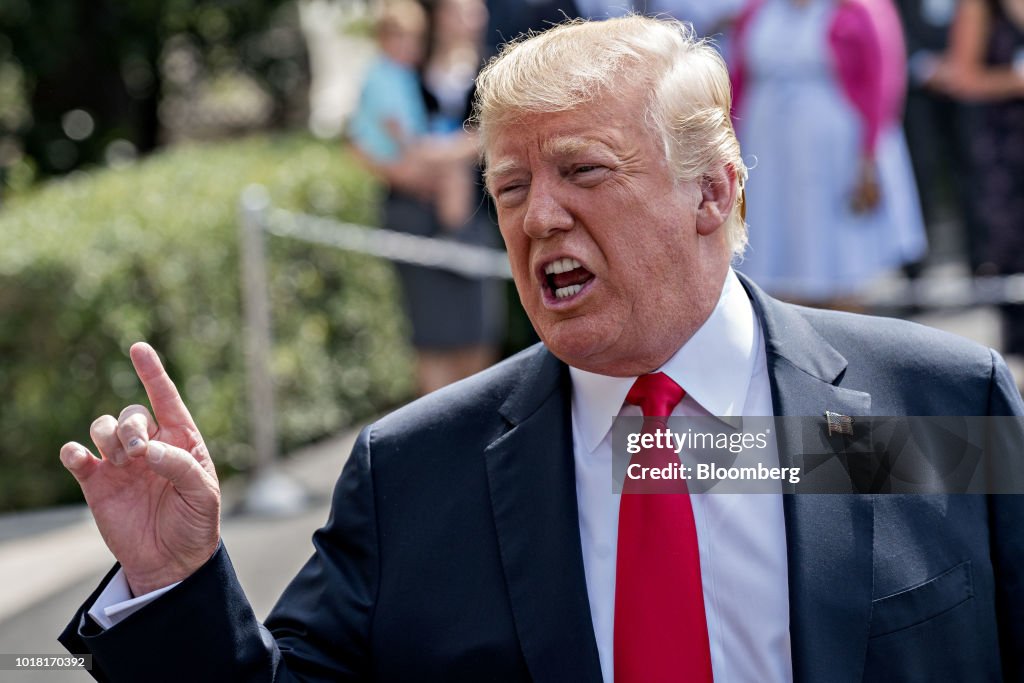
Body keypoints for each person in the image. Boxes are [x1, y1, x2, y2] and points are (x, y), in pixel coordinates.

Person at [59, 15, 1022, 682]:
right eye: (510, 187)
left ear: (712, 193)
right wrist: (174, 580)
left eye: (583, 171)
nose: (540, 216)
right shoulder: (417, 476)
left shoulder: (934, 402)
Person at [348, 0, 504, 396]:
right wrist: (408, 171)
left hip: (475, 216)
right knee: (430, 337)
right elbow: (361, 141)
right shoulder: (405, 70)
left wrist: (437, 154)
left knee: (477, 332)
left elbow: (496, 137)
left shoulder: (495, 70)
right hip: (411, 213)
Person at [730, 0, 927, 309]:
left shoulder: (859, 10)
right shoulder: (757, 11)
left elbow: (883, 82)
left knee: (839, 255)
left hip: (834, 153)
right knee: (778, 252)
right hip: (768, 153)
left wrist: (869, 154)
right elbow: (739, 79)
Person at [927, 0, 1024, 361]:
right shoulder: (981, 7)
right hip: (1006, 148)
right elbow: (961, 76)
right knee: (1011, 260)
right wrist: (1013, 81)